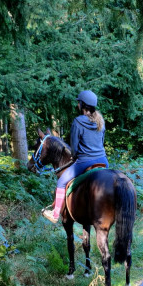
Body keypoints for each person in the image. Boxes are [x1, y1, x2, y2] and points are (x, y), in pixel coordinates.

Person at [42, 90, 109, 223]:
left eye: (79, 103)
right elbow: (101, 142)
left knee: (61, 182)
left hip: (84, 162)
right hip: (103, 161)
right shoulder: (100, 120)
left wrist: (74, 156)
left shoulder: (78, 121)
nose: (77, 105)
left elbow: (74, 147)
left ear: (83, 105)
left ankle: (55, 215)